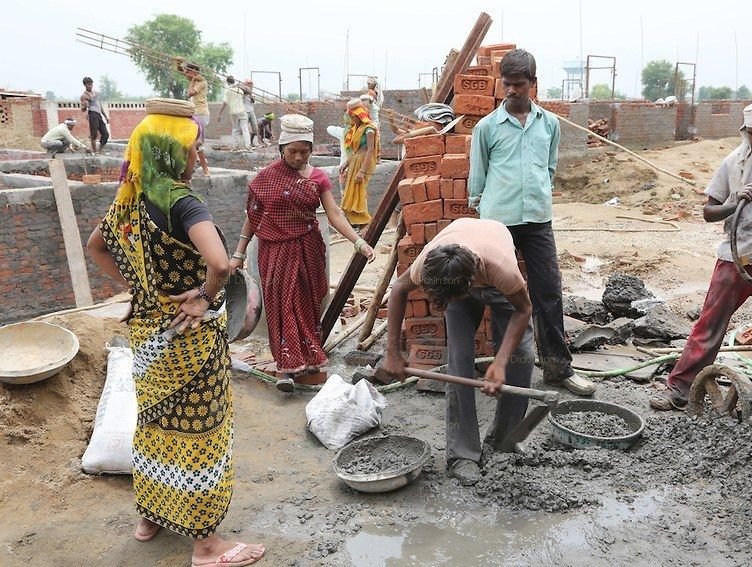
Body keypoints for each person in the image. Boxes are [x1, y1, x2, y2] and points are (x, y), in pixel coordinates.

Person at [86, 98, 265, 567]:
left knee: (154, 426)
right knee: (200, 432)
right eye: (193, 148)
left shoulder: (129, 203)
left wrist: (137, 286)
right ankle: (207, 545)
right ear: (172, 152)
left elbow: (95, 246)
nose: (196, 156)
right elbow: (221, 263)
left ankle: (151, 517)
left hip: (147, 340)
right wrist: (206, 294)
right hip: (190, 340)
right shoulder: (183, 202)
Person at [650, 100, 752, 410]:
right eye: (751, 133)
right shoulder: (734, 163)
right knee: (708, 328)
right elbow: (709, 211)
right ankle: (679, 391)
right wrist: (735, 201)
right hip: (736, 262)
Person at [468, 48, 595, 396]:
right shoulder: (487, 128)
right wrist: (482, 225)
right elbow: (476, 182)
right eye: (506, 84)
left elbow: (549, 169)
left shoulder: (549, 124)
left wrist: (537, 194)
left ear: (534, 84)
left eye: (518, 85)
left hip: (538, 219)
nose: (511, 91)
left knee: (548, 293)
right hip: (499, 224)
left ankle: (558, 368)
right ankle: (504, 373)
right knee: (503, 298)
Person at [382, 218, 535, 486]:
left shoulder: (502, 269)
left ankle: (504, 442)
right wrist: (392, 352)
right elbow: (398, 290)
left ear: (470, 283)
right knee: (459, 361)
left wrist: (499, 363)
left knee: (521, 359)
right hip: (459, 271)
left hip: (490, 270)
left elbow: (524, 309)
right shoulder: (430, 266)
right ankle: (462, 455)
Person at [229, 115, 375, 390]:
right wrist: (238, 253)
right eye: (292, 151)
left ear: (311, 150)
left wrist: (359, 243)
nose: (297, 157)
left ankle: (308, 362)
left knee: (305, 306)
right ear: (281, 148)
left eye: (304, 152)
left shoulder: (318, 178)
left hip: (307, 249)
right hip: (273, 251)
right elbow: (253, 216)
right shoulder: (265, 178)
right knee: (280, 306)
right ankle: (284, 367)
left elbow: (334, 213)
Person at [339, 99, 377, 228]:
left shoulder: (369, 129)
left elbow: (370, 150)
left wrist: (362, 171)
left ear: (359, 115)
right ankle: (358, 224)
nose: (352, 119)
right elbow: (354, 151)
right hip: (355, 161)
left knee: (360, 194)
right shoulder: (356, 128)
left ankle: (366, 224)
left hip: (364, 162)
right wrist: (346, 163)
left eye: (353, 117)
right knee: (352, 195)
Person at [179, 61, 211, 176]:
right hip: (196, 113)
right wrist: (179, 64)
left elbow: (190, 93)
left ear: (193, 72)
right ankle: (199, 163)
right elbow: (183, 73)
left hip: (201, 113)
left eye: (188, 72)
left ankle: (205, 168)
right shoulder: (197, 80)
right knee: (193, 141)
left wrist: (192, 80)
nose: (186, 74)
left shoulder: (200, 82)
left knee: (197, 143)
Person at [217, 76, 250, 151]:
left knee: (235, 129)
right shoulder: (240, 90)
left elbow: (224, 103)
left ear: (227, 82)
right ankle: (247, 146)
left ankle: (235, 146)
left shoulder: (228, 91)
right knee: (245, 128)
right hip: (242, 111)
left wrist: (219, 113)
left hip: (234, 112)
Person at [79, 77, 110, 154]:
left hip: (99, 114)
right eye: (88, 84)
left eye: (91, 84)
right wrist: (85, 106)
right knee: (94, 134)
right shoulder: (84, 95)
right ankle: (95, 151)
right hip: (92, 114)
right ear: (85, 85)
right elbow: (83, 108)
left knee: (105, 134)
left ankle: (100, 150)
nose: (90, 86)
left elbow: (99, 105)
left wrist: (105, 116)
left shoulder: (95, 93)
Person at [241, 79, 259, 148]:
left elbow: (253, 101)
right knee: (244, 128)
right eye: (248, 83)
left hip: (251, 111)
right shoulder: (242, 91)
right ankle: (246, 144)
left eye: (251, 83)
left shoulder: (252, 92)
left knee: (255, 128)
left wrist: (250, 93)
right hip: (244, 111)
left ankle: (251, 142)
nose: (250, 84)